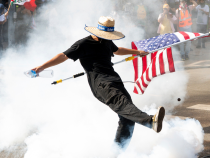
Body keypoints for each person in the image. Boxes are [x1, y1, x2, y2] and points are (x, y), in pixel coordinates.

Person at [31, 16, 166, 148]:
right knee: (124, 105)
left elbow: (117, 50)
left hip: (114, 79)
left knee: (127, 117)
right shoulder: (83, 44)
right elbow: (63, 56)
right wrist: (42, 67)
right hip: (101, 83)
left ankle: (118, 153)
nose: (108, 37)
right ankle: (150, 121)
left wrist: (137, 52)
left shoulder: (106, 41)